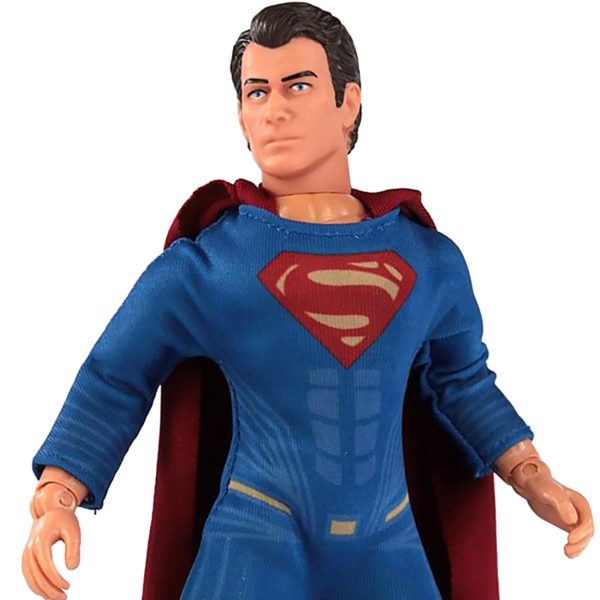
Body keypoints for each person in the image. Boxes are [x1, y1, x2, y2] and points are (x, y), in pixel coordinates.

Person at [23, 3, 594, 599]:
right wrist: (57, 494)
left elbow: (462, 383)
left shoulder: (428, 261)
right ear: (241, 117)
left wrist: (532, 474)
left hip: (388, 537)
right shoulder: (212, 266)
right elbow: (115, 378)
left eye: (298, 86)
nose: (275, 110)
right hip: (256, 535)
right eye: (257, 92)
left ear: (348, 102)